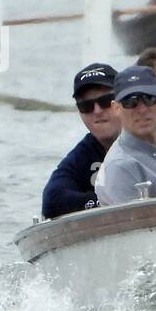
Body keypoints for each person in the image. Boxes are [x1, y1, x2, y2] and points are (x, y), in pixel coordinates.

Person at [42, 63, 123, 218]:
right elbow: (52, 200)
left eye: (105, 101)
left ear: (122, 100)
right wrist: (107, 203)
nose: (97, 111)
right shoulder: (83, 154)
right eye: (86, 106)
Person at [96, 66, 156, 206]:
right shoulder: (119, 167)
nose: (142, 109)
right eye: (130, 102)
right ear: (116, 108)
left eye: (149, 98)